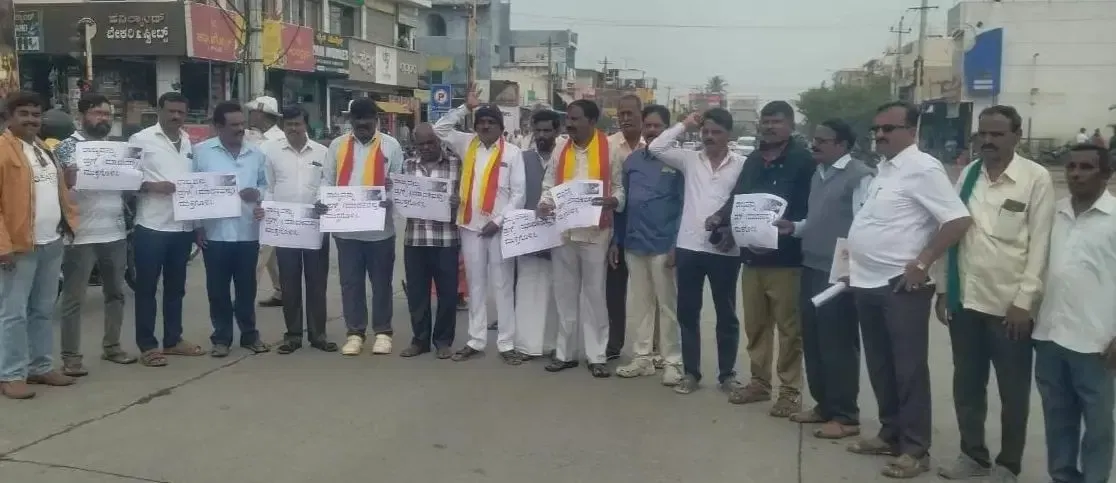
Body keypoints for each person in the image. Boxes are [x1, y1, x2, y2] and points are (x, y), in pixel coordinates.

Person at [844, 101, 972, 479]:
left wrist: (923, 262)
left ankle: (916, 450)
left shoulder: (923, 168)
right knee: (880, 365)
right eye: (876, 129)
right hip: (866, 281)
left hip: (900, 286)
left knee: (908, 369)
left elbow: (957, 220)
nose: (880, 135)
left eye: (889, 128)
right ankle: (890, 434)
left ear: (911, 131)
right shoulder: (884, 170)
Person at [933, 105, 1054, 482]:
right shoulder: (970, 174)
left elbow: (1041, 245)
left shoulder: (1035, 178)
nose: (988, 140)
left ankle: (1008, 464)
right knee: (967, 386)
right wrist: (943, 289)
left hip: (1009, 309)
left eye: (997, 134)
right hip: (966, 301)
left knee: (1013, 393)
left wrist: (1024, 301)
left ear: (1017, 136)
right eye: (982, 134)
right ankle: (973, 456)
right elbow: (952, 230)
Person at [707, 101, 814, 416]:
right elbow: (738, 197)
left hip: (787, 259)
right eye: (765, 122)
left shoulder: (803, 161)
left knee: (789, 329)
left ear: (790, 125)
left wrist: (793, 229)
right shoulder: (753, 160)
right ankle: (759, 383)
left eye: (776, 121)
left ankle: (790, 391)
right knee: (756, 325)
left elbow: (810, 208)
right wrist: (721, 217)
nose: (769, 127)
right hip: (752, 257)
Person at [774, 118, 873, 437]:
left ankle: (846, 416)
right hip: (812, 265)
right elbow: (819, 219)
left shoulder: (859, 177)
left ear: (842, 145)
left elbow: (864, 225)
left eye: (822, 140)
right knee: (814, 340)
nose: (814, 145)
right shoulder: (819, 173)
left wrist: (853, 271)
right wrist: (795, 227)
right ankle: (824, 406)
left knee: (838, 343)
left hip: (840, 272)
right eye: (814, 139)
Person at [647, 109, 746, 395]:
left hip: (725, 249)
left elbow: (745, 201)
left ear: (729, 135)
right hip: (689, 247)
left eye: (716, 132)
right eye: (705, 131)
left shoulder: (742, 164)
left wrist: (733, 231)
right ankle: (691, 373)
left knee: (726, 314)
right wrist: (685, 124)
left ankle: (727, 375)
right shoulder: (690, 159)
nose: (709, 137)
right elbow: (656, 147)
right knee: (688, 312)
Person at [1033, 144, 1116, 483]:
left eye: (1086, 167)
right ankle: (1063, 477)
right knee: (1057, 419)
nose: (1076, 174)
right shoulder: (1055, 213)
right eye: (1071, 167)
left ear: (1106, 174)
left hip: (1096, 342)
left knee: (1098, 425)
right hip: (1050, 336)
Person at [433, 87, 526, 364]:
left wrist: (498, 221)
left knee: (502, 285)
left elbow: (519, 195)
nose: (485, 126)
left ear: (500, 126)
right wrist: (466, 107)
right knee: (475, 286)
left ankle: (506, 343)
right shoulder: (467, 143)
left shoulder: (513, 153)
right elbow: (439, 129)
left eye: (491, 122)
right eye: (481, 122)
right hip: (470, 227)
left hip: (499, 229)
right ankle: (476, 340)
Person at [537, 99, 625, 378]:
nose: (569, 124)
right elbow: (549, 185)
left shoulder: (610, 149)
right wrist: (544, 203)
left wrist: (614, 201)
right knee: (564, 293)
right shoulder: (560, 148)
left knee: (594, 295)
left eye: (575, 119)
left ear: (592, 121)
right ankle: (565, 354)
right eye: (568, 119)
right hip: (564, 231)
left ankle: (596, 355)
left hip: (595, 232)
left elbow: (620, 188)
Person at [0, 91, 80, 399]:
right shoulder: (3, 150)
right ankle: (11, 374)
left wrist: (68, 225)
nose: (31, 120)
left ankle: (40, 366)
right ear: (9, 117)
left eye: (36, 115)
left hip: (50, 241)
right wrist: (3, 246)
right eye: (24, 114)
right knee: (13, 313)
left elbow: (56, 191)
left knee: (43, 310)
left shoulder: (44, 149)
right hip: (19, 246)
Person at [54, 93, 139, 376]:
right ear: (82, 116)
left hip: (114, 231)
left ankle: (112, 347)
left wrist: (133, 179)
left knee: (116, 293)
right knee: (73, 299)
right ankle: (71, 357)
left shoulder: (117, 149)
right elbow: (56, 189)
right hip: (79, 236)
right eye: (97, 113)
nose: (103, 119)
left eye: (108, 115)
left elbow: (128, 188)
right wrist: (68, 180)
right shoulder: (66, 148)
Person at [323, 98, 404, 356]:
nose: (362, 124)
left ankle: (383, 332)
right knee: (351, 284)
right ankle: (355, 333)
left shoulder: (391, 146)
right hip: (346, 231)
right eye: (357, 119)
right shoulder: (337, 146)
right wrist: (323, 201)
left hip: (380, 231)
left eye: (367, 119)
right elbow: (327, 181)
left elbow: (399, 184)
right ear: (351, 121)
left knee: (381, 283)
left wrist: (390, 198)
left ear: (376, 120)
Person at [129, 92, 204, 367]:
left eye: (181, 112)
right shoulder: (141, 139)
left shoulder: (189, 142)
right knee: (146, 289)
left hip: (182, 226)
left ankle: (173, 340)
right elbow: (125, 178)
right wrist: (151, 186)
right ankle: (148, 346)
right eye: (171, 111)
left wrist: (197, 225)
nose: (176, 116)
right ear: (159, 111)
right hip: (152, 226)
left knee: (176, 288)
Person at [193, 101, 270, 358]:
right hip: (215, 234)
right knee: (217, 290)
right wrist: (197, 227)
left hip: (248, 232)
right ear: (218, 126)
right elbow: (192, 192)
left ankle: (250, 334)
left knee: (247, 288)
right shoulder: (202, 153)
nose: (240, 129)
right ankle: (221, 338)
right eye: (234, 125)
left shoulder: (256, 154)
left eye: (242, 124)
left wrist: (258, 194)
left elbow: (266, 185)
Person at [613, 104, 683, 384]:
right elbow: (623, 202)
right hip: (635, 243)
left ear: (667, 129)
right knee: (641, 304)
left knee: (667, 306)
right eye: (648, 126)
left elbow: (685, 206)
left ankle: (672, 362)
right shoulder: (632, 161)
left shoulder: (679, 162)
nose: (652, 130)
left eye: (658, 126)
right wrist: (617, 240)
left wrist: (677, 244)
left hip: (664, 243)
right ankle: (642, 358)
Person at [258, 105, 335, 355]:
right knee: (289, 284)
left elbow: (328, 183)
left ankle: (318, 335)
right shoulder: (271, 152)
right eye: (288, 124)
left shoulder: (323, 152)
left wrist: (324, 201)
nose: (293, 129)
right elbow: (268, 187)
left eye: (297, 124)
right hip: (285, 228)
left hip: (314, 226)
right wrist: (268, 211)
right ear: (283, 126)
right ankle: (292, 336)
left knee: (316, 283)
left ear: (306, 125)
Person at [399, 123, 461, 359]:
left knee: (447, 294)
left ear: (439, 141)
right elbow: (400, 199)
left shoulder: (456, 164)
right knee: (417, 294)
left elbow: (467, 195)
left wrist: (458, 202)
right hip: (415, 239)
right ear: (414, 145)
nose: (426, 147)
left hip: (446, 240)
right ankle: (420, 340)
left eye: (430, 142)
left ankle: (443, 341)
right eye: (421, 144)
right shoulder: (407, 166)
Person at [514, 109, 561, 360]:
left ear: (557, 131)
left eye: (547, 130)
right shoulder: (522, 159)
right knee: (527, 289)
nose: (542, 135)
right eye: (538, 130)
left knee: (555, 292)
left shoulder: (565, 157)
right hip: (528, 237)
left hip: (558, 237)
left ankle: (552, 345)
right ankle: (526, 346)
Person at [604, 94, 645, 361]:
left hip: (646, 230)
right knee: (614, 292)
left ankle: (649, 349)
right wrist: (612, 238)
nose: (625, 118)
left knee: (647, 295)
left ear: (641, 114)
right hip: (615, 229)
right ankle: (613, 344)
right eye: (621, 114)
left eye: (630, 113)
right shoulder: (608, 146)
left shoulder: (653, 146)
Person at [245, 96, 285, 308]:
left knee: (259, 253)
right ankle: (282, 291)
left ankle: (244, 298)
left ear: (262, 115)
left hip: (270, 202)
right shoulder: (251, 136)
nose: (250, 116)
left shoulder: (279, 140)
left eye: (253, 112)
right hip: (252, 200)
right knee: (271, 254)